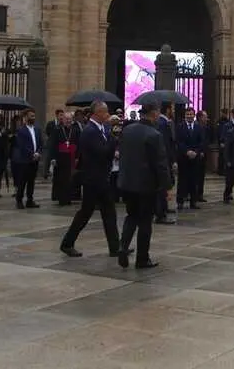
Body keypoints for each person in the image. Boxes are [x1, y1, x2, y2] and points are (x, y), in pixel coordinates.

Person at [60, 101, 122, 258]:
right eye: (105, 112)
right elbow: (101, 152)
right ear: (97, 113)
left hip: (102, 177)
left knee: (109, 213)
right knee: (85, 213)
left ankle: (115, 248)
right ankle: (67, 243)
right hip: (92, 178)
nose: (107, 115)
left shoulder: (103, 128)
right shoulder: (89, 131)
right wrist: (113, 140)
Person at [117, 103, 172, 269]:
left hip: (127, 182)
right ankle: (142, 258)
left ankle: (122, 246)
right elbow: (160, 164)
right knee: (145, 222)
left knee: (131, 216)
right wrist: (167, 186)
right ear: (154, 113)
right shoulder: (154, 134)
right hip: (146, 185)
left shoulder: (127, 130)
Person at [11, 109, 42, 209]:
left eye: (34, 116)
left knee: (31, 181)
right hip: (24, 160)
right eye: (31, 116)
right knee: (22, 181)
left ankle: (30, 200)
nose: (33, 118)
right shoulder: (21, 130)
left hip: (35, 160)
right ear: (26, 117)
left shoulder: (37, 129)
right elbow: (22, 145)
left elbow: (40, 142)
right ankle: (19, 200)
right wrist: (32, 154)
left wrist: (38, 153)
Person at [176, 107, 206, 210]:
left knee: (194, 180)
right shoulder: (180, 127)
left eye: (191, 114)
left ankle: (194, 201)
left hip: (195, 158)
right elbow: (179, 142)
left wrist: (196, 152)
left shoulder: (199, 128)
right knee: (182, 180)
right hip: (184, 157)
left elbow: (201, 142)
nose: (189, 116)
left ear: (194, 115)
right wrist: (187, 151)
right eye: (187, 114)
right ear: (185, 115)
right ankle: (180, 201)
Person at [154, 102, 177, 224]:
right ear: (167, 110)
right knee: (163, 186)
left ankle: (163, 209)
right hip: (164, 160)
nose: (173, 111)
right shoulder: (162, 124)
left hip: (164, 159)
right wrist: (171, 160)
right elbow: (165, 144)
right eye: (172, 108)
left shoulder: (163, 122)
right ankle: (160, 214)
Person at [49, 112, 78, 206]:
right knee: (61, 179)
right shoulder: (57, 130)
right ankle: (61, 198)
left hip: (71, 157)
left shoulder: (75, 130)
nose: (68, 121)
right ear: (63, 120)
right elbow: (53, 144)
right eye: (66, 119)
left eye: (70, 119)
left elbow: (78, 143)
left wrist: (77, 156)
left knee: (70, 179)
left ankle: (68, 197)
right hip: (60, 157)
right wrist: (53, 158)